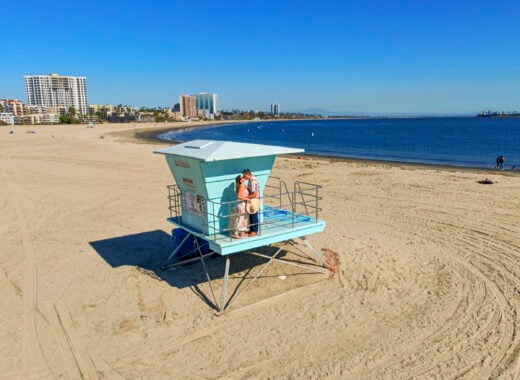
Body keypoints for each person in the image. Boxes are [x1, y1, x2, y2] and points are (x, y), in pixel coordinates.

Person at [242, 169, 260, 237]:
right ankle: (251, 230)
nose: (244, 177)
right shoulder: (250, 181)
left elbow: (254, 194)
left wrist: (246, 197)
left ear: (247, 174)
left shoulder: (253, 182)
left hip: (254, 200)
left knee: (254, 215)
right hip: (251, 200)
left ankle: (254, 231)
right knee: (251, 215)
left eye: (244, 175)